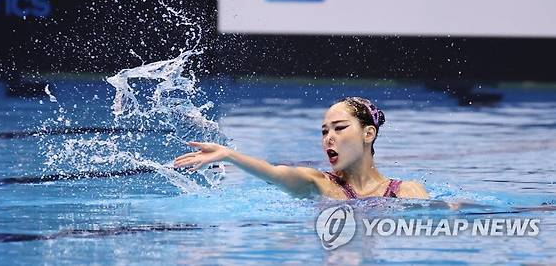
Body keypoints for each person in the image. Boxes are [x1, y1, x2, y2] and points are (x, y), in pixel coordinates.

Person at [174, 97, 430, 200]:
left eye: (339, 128)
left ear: (368, 133)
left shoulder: (405, 191)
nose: (329, 137)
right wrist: (228, 154)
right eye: (324, 131)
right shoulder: (319, 184)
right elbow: (274, 173)